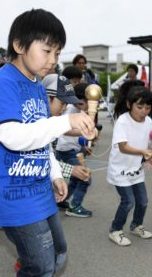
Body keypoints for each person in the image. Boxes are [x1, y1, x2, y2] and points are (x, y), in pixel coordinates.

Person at [0, 9, 96, 275]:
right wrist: (66, 122)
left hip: (39, 188)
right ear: (19, 45)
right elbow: (13, 136)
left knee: (58, 252)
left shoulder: (37, 85)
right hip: (12, 193)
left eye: (58, 53)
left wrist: (54, 174)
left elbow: (41, 135)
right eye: (47, 50)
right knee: (42, 265)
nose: (53, 60)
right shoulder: (0, 83)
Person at [107, 84, 152, 246]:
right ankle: (115, 230)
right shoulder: (122, 121)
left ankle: (136, 225)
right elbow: (123, 147)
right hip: (120, 170)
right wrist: (144, 152)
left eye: (148, 107)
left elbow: (146, 143)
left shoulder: (149, 121)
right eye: (140, 106)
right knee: (128, 201)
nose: (144, 111)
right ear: (129, 105)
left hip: (136, 169)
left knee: (142, 201)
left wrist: (150, 155)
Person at [52, 81, 93, 218]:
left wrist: (83, 145)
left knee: (76, 178)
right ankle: (75, 206)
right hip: (67, 150)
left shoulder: (77, 110)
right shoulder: (70, 110)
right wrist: (85, 132)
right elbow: (64, 130)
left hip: (71, 149)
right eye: (88, 101)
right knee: (85, 178)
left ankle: (61, 198)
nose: (89, 105)